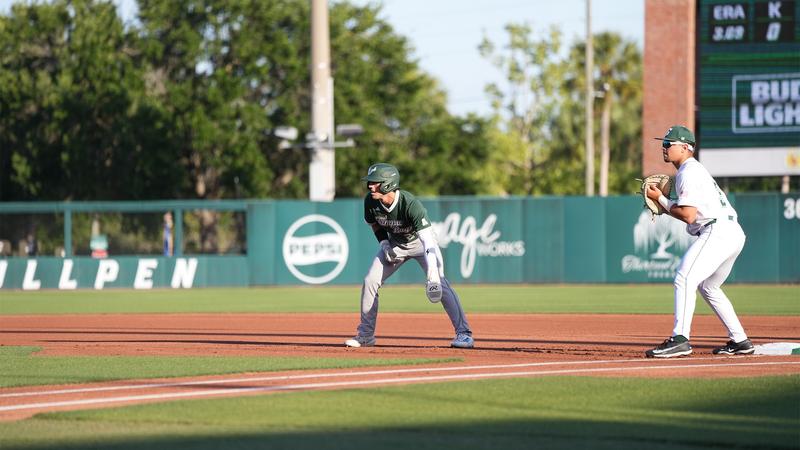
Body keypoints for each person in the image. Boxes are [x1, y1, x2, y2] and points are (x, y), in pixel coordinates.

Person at [644, 125, 753, 358]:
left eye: (669, 144)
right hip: (732, 232)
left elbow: (689, 215)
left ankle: (680, 339)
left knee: (684, 277)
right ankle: (740, 340)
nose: (664, 148)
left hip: (717, 231)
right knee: (709, 287)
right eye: (664, 143)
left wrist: (661, 200)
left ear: (686, 147)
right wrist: (665, 204)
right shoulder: (693, 170)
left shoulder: (688, 171)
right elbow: (687, 212)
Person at [345, 163, 474, 349]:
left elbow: (428, 242)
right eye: (369, 183)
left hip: (422, 245)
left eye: (375, 183)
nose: (370, 187)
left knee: (441, 284)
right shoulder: (370, 201)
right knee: (370, 280)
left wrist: (432, 273)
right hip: (395, 245)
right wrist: (384, 243)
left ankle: (464, 334)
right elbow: (374, 224)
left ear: (388, 184)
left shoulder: (410, 204)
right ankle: (365, 336)